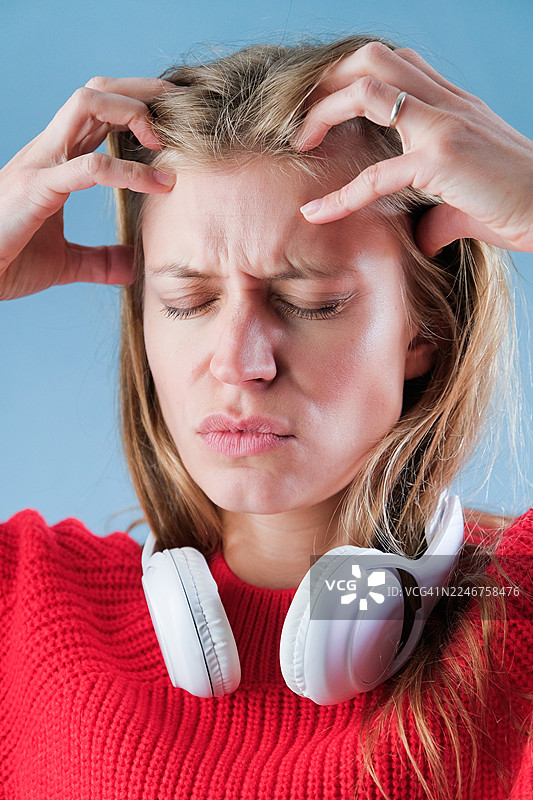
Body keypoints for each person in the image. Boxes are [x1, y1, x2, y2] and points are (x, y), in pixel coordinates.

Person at [0, 34, 532, 800]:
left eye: (308, 301)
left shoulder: (512, 621)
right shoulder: (31, 609)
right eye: (188, 301)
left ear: (426, 329)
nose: (238, 362)